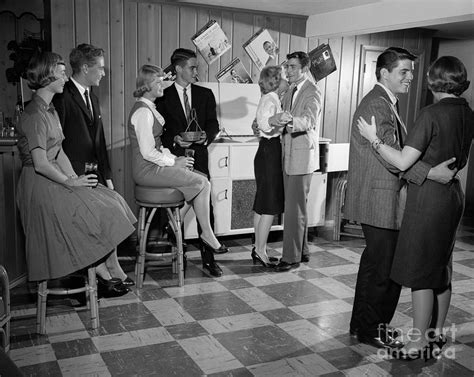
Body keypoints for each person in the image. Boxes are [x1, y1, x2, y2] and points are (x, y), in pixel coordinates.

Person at [357, 55, 473, 360]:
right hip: (453, 196)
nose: (411, 77)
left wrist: (374, 141)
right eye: (405, 71)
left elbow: (403, 160)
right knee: (441, 269)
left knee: (421, 271)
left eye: (416, 73)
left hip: (429, 199)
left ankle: (418, 341)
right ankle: (433, 335)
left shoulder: (431, 113)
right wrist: (435, 170)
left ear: (434, 81)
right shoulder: (467, 112)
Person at [16, 51, 136, 298]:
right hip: (39, 187)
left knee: (109, 198)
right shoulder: (34, 115)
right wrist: (71, 182)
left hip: (55, 179)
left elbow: (59, 153)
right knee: (93, 211)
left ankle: (105, 267)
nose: (64, 78)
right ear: (47, 77)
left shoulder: (50, 111)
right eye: (60, 74)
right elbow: (40, 163)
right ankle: (101, 269)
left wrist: (77, 181)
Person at [129, 64, 227, 277]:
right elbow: (147, 152)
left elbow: (158, 147)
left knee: (201, 179)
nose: (162, 84)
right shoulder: (143, 112)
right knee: (201, 183)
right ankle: (207, 235)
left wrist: (176, 158)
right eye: (157, 81)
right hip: (146, 169)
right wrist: (174, 163)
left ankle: (177, 225)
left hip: (154, 165)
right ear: (146, 86)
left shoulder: (149, 108)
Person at [52, 44, 134, 286]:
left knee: (114, 207)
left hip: (93, 172)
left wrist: (107, 176)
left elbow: (100, 142)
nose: (104, 74)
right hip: (71, 176)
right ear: (85, 68)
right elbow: (57, 144)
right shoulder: (62, 96)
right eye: (100, 68)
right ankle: (101, 269)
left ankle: (112, 265)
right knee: (102, 215)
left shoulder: (93, 98)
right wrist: (70, 178)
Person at [156, 48, 224, 252]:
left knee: (206, 208)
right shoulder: (162, 97)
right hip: (175, 159)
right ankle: (179, 257)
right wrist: (175, 140)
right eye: (192, 68)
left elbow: (213, 123)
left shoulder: (206, 94)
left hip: (200, 156)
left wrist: (206, 137)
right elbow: (161, 132)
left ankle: (209, 259)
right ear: (178, 69)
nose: (197, 72)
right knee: (177, 205)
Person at [268, 51, 321, 272]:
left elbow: (309, 119)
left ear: (304, 69)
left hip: (301, 157)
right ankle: (303, 250)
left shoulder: (313, 91)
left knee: (293, 210)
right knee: (297, 208)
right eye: (286, 66)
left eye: (291, 67)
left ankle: (291, 258)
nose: (287, 71)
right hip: (288, 154)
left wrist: (290, 120)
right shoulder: (290, 90)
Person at [252, 66, 286, 267]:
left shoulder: (269, 97)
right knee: (269, 206)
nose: (286, 81)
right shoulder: (271, 98)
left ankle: (258, 248)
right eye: (282, 78)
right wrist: (277, 120)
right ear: (276, 81)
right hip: (269, 152)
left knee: (262, 204)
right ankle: (261, 251)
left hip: (266, 151)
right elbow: (264, 124)